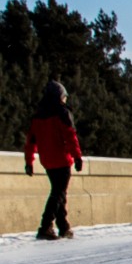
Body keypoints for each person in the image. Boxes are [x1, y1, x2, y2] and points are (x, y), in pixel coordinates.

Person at [24, 80, 84, 240]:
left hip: (47, 161)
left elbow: (30, 141)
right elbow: (71, 136)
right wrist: (77, 156)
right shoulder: (62, 113)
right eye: (64, 97)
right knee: (58, 194)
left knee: (59, 192)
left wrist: (29, 162)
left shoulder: (38, 115)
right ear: (60, 97)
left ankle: (63, 227)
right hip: (62, 159)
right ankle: (45, 227)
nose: (65, 100)